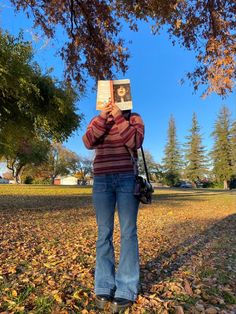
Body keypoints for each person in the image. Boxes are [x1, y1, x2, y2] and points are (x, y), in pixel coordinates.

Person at [82, 101, 144, 313]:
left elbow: (135, 141)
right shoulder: (97, 119)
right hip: (102, 180)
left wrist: (119, 117)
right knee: (103, 233)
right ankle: (104, 285)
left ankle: (126, 288)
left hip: (128, 179)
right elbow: (88, 142)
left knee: (128, 233)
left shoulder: (133, 117)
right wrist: (102, 117)